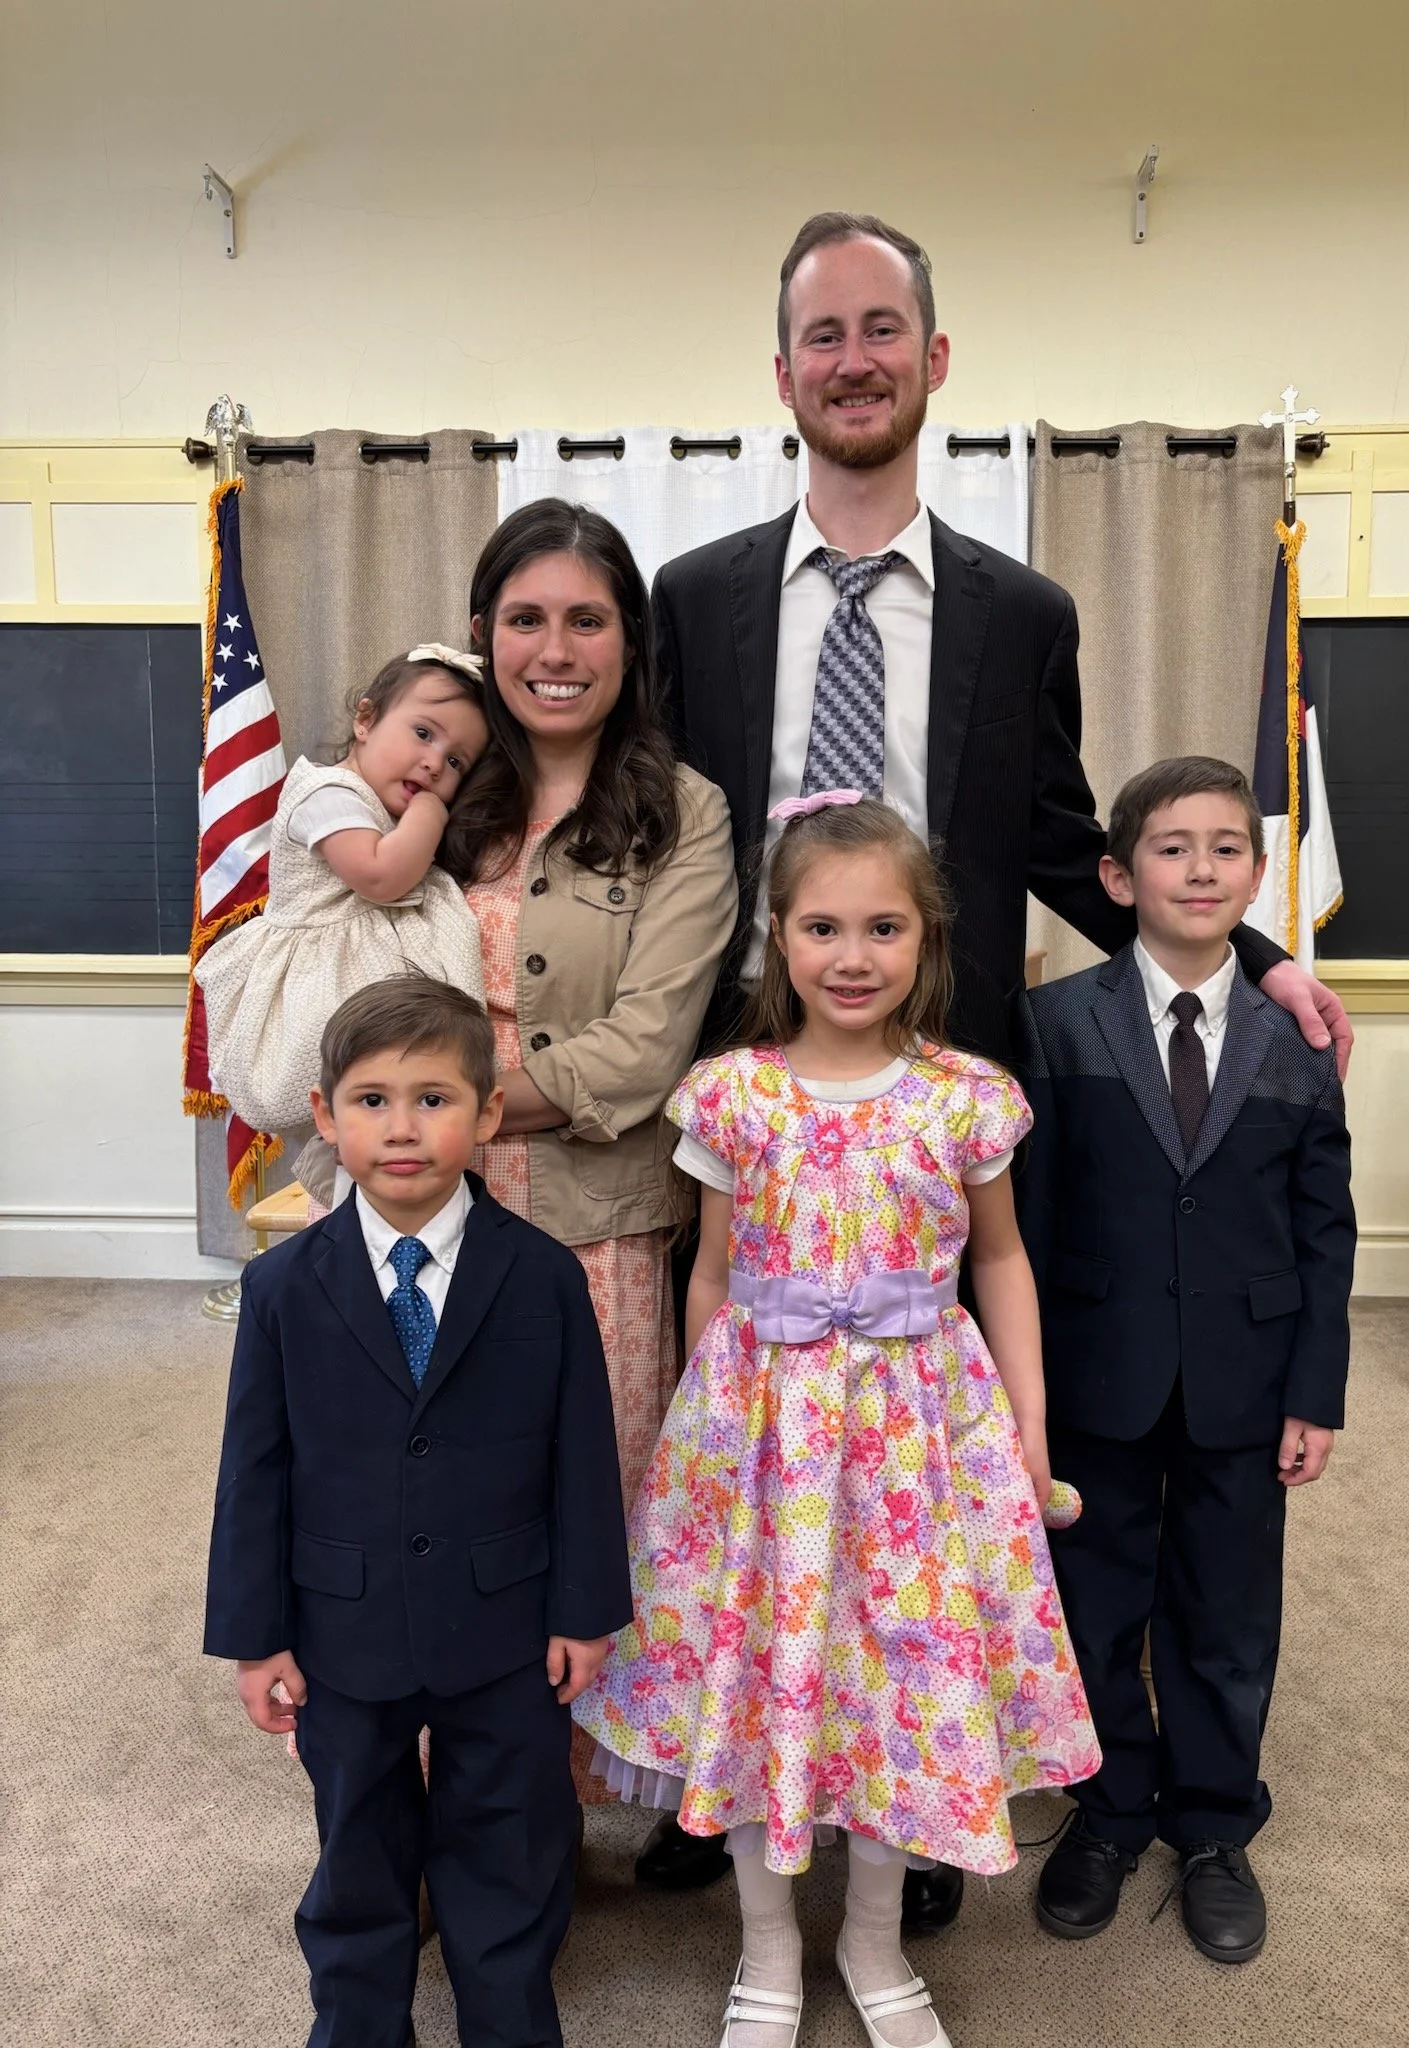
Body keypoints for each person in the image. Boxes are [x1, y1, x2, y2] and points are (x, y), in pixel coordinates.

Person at [644, 208, 1354, 1926]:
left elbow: (1063, 839)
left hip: (929, 1115)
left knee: (918, 1474)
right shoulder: (696, 600)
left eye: (886, 327)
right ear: (785, 374)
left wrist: (1258, 963)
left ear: (935, 358)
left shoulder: (1023, 611)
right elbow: (643, 835)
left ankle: (909, 1765)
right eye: (824, 334)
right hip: (742, 1097)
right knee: (753, 1449)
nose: (857, 359)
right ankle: (733, 1773)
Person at [574, 794, 1100, 2048]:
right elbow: (709, 1270)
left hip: (920, 1437)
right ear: (777, 936)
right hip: (764, 1443)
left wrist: (1027, 1429)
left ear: (928, 939)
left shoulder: (965, 1096)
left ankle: (871, 1941)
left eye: (883, 926)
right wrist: (705, 1441)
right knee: (763, 1680)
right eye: (822, 926)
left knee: (890, 1689)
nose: (852, 955)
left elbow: (1006, 1263)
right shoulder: (732, 1096)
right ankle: (764, 1946)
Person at [203, 975, 632, 2047]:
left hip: (505, 1623)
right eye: (374, 1098)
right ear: (327, 1112)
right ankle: (356, 2023)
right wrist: (256, 1639)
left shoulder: (540, 1277)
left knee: (507, 1844)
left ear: (487, 1113)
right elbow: (252, 1470)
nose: (403, 1125)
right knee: (358, 1842)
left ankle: (508, 2019)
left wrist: (585, 1611)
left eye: (434, 1097)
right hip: (340, 1625)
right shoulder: (284, 1286)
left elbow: (584, 1453)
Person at [1011, 757, 1355, 1965]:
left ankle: (1214, 1824)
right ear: (1117, 874)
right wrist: (1028, 1392)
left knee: (1224, 1612)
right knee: (1094, 1601)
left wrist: (1317, 1389)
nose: (1201, 867)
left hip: (1246, 1381)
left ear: (1258, 876)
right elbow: (1029, 1227)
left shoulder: (1298, 1029)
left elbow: (1326, 1223)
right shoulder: (1057, 1020)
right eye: (1171, 846)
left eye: (1225, 847)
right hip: (1098, 1375)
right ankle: (1109, 1808)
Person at [438, 498, 737, 1801]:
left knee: (576, 1527)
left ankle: (546, 1816)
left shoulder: (683, 812)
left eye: (586, 618)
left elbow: (646, 1049)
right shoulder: (424, 787)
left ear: (631, 643)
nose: (554, 648)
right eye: (524, 618)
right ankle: (438, 1794)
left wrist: (437, 1098)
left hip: (594, 1232)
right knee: (437, 1519)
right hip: (417, 1216)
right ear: (479, 633)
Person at [196, 644, 489, 1135]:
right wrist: (431, 812)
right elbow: (381, 878)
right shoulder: (327, 793)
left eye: (456, 761)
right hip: (317, 967)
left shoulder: (378, 805)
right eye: (422, 734)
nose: (434, 764)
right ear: (366, 721)